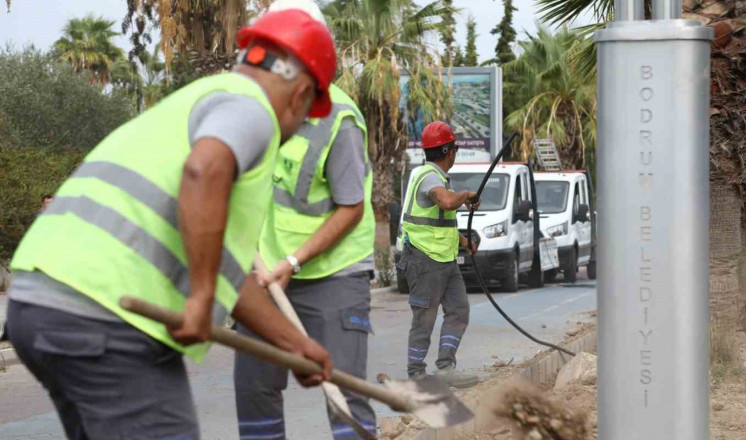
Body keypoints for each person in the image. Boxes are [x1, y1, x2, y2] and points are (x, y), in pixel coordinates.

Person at [5, 10, 337, 440]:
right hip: (106, 314)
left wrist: (293, 342)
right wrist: (200, 298)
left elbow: (224, 275)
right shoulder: (251, 107)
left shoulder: (192, 105)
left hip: (41, 302)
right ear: (301, 94)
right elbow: (203, 171)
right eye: (309, 114)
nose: (299, 128)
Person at [233, 2, 377, 439]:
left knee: (343, 391)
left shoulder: (339, 118)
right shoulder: (246, 105)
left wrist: (292, 261)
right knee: (254, 388)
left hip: (333, 273)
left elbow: (351, 207)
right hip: (263, 269)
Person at [397, 121, 481, 389]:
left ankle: (446, 367)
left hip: (444, 259)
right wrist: (466, 194)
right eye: (454, 147)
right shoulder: (429, 177)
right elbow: (445, 202)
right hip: (424, 260)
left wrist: (465, 241)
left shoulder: (439, 178)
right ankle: (416, 374)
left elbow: (441, 222)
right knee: (425, 318)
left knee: (458, 310)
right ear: (449, 151)